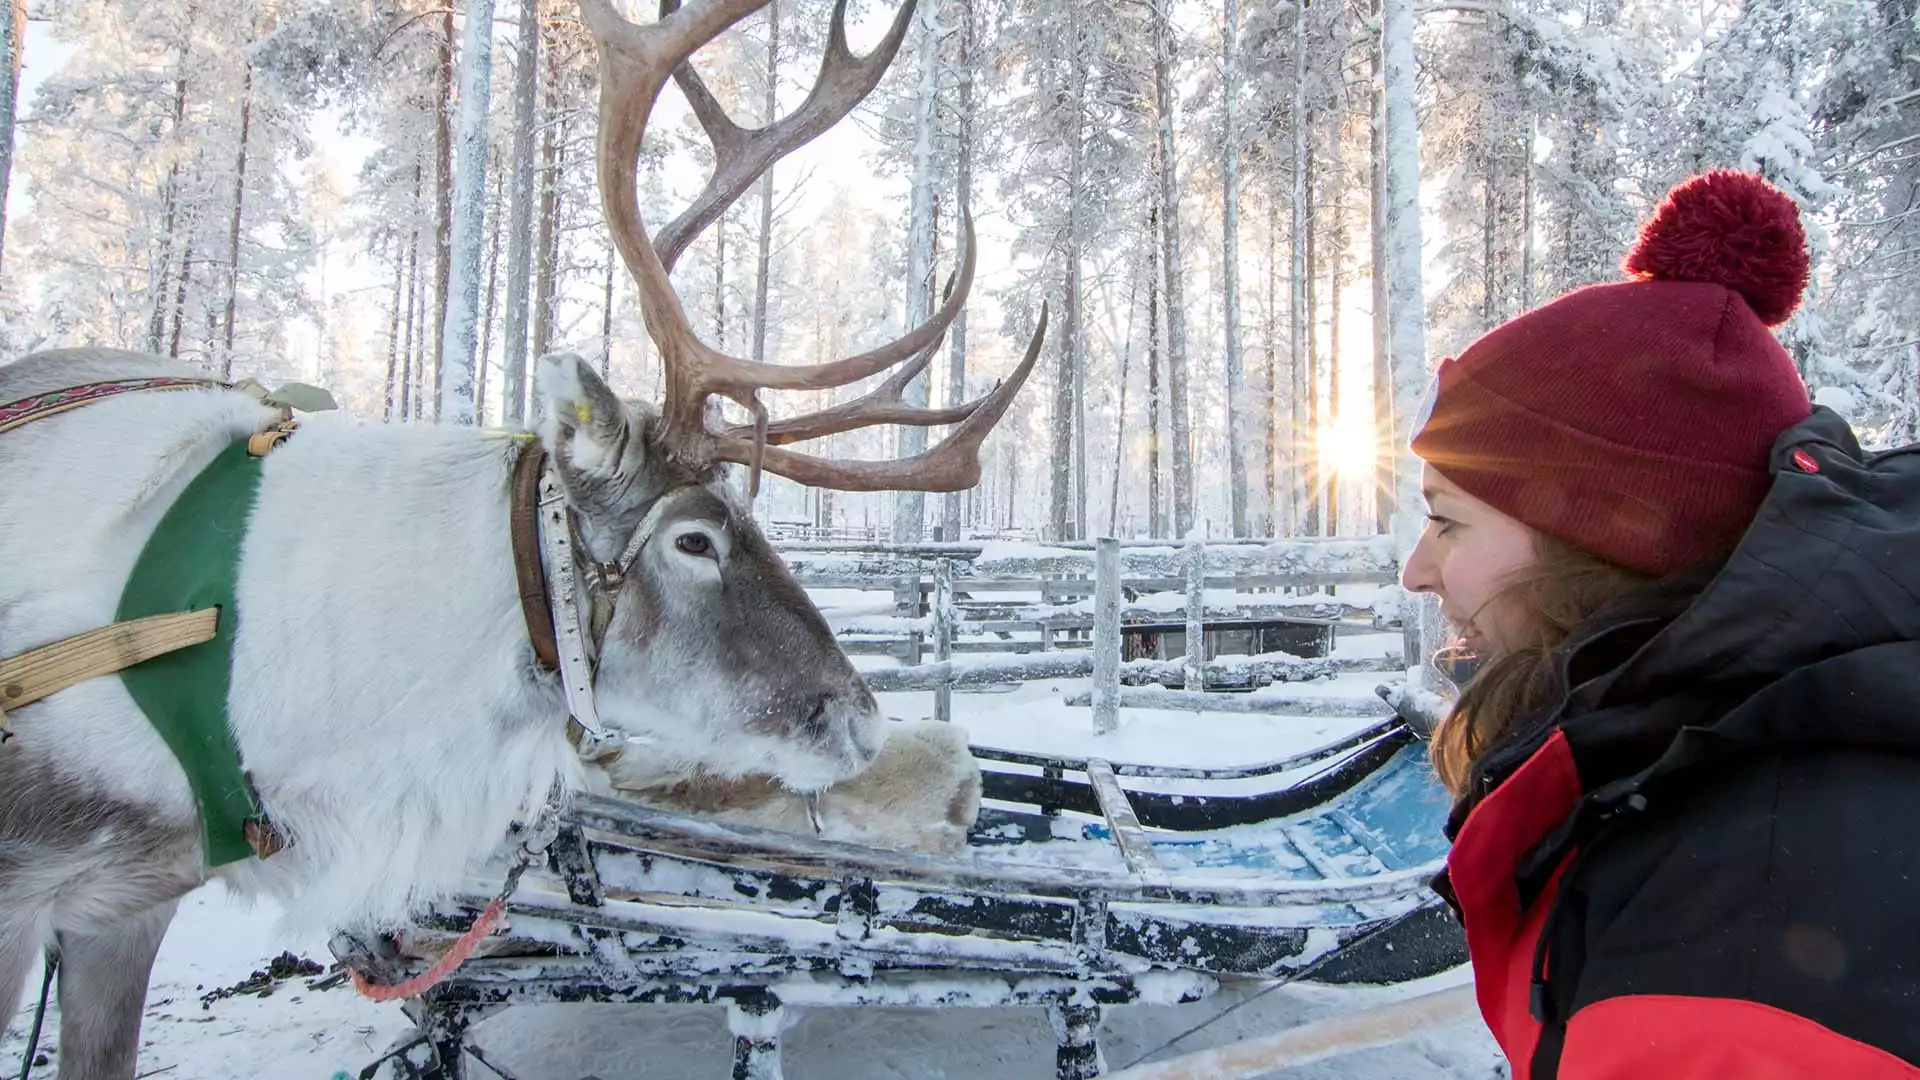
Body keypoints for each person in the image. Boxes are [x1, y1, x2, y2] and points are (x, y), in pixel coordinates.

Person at [1400, 170, 1920, 1079]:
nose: (1417, 570)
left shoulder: (1731, 945)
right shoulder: (1683, 776)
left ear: (1596, 541)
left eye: (1448, 519)